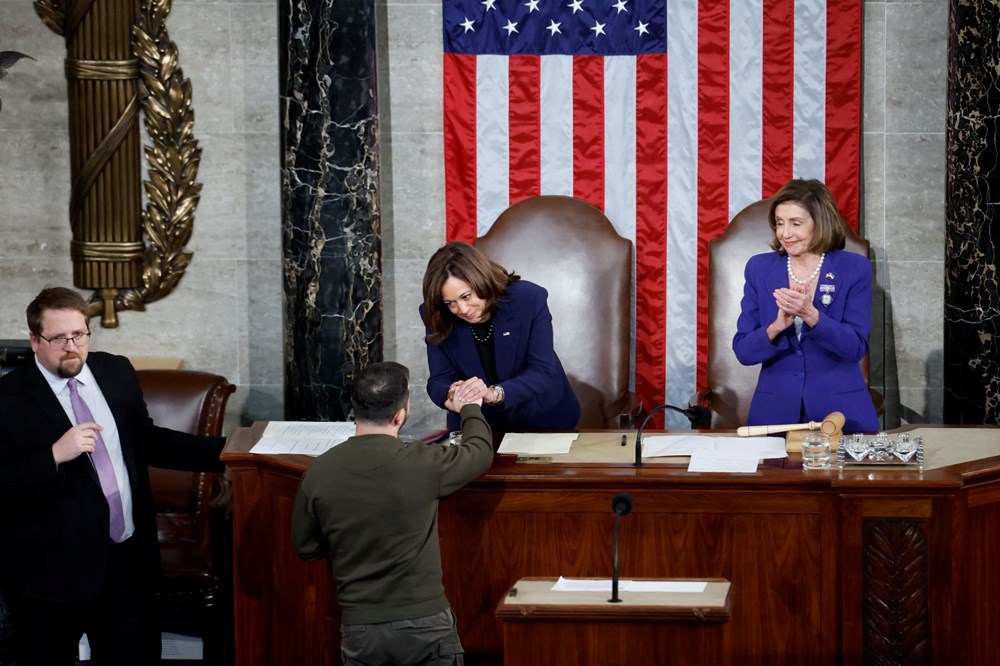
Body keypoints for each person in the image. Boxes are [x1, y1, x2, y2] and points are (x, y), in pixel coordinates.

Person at [0, 287, 227, 666]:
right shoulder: (8, 398)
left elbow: (146, 441)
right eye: (58, 338)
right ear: (34, 340)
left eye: (79, 335)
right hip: (51, 577)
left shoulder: (114, 371)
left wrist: (229, 453)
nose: (71, 347)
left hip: (127, 562)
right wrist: (55, 455)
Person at [291, 361, 493, 665]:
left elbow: (306, 548)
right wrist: (469, 409)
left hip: (360, 627)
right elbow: (479, 452)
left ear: (355, 408)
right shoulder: (422, 464)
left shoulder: (319, 471)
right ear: (399, 415)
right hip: (425, 622)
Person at [732, 179, 880, 433]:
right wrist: (776, 327)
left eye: (795, 223)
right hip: (775, 414)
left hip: (839, 414)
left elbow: (855, 347)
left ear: (820, 223)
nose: (784, 233)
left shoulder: (853, 268)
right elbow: (744, 352)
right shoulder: (759, 268)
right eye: (779, 223)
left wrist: (813, 316)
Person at [420, 241, 580, 434]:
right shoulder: (437, 314)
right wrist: (452, 394)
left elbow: (543, 371)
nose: (462, 310)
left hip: (542, 418)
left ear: (481, 281)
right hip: (478, 425)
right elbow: (438, 380)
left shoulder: (528, 298)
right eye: (450, 303)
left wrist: (493, 393)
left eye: (466, 296)